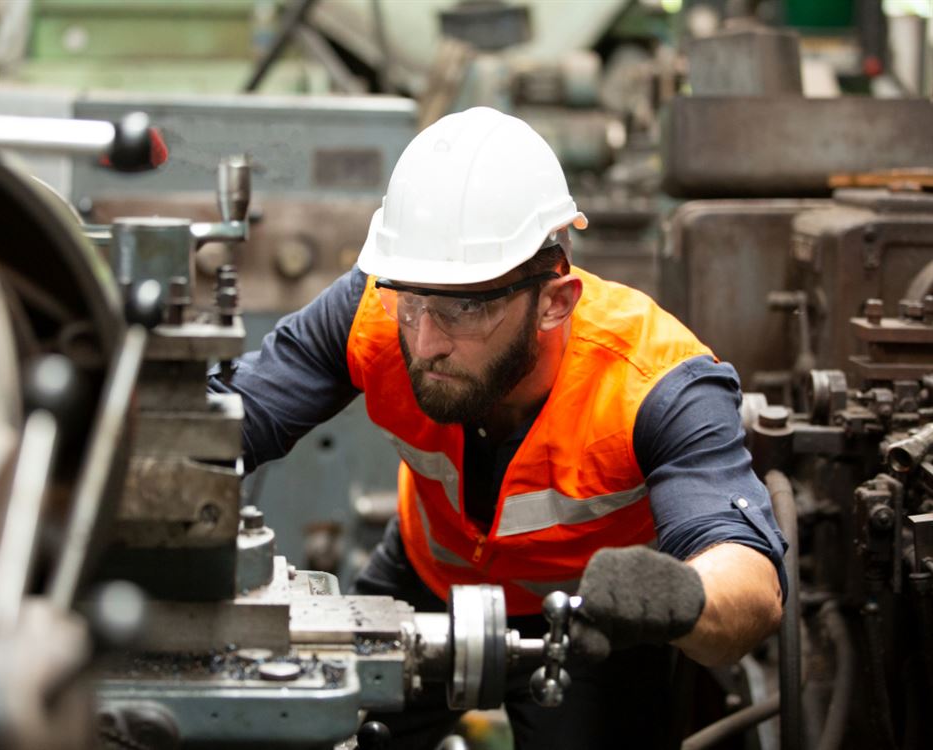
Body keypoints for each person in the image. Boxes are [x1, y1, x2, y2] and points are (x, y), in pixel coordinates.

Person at [209, 106, 786, 749]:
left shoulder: (655, 383)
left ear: (554, 301)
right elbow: (228, 417)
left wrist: (679, 597)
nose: (425, 342)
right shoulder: (374, 313)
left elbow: (750, 585)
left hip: (592, 621)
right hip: (424, 580)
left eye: (464, 308)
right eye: (411, 301)